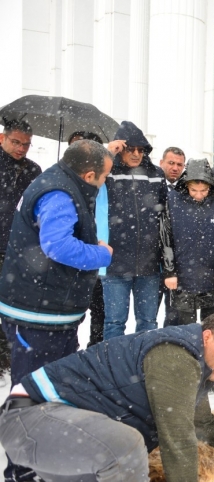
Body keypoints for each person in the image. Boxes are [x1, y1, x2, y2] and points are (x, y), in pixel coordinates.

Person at [0, 312, 214, 482]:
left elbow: (203, 424)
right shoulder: (176, 356)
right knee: (127, 447)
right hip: (31, 418)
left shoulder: (195, 368)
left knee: (115, 477)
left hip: (68, 437)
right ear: (207, 337)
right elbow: (179, 438)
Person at [0, 139, 114, 482]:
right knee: (32, 394)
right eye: (104, 177)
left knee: (52, 392)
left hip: (50, 312)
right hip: (35, 314)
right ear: (89, 173)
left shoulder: (63, 183)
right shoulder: (60, 195)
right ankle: (22, 473)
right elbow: (57, 246)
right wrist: (100, 253)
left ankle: (44, 463)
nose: (104, 183)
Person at [98, 121, 168, 340]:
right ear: (121, 149)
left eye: (141, 149)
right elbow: (87, 182)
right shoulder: (106, 172)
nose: (137, 154)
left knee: (148, 322)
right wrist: (107, 154)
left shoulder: (156, 174)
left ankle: (141, 367)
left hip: (149, 264)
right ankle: (113, 369)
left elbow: (166, 213)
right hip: (115, 262)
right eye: (131, 149)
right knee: (114, 322)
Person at [161, 159, 214, 325]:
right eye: (194, 190)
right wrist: (170, 271)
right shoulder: (173, 200)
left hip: (213, 275)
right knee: (184, 328)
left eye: (204, 190)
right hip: (182, 275)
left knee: (212, 327)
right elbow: (166, 237)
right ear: (186, 185)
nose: (199, 195)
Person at [0, 120, 41, 390]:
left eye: (26, 144)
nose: (21, 148)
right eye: (16, 142)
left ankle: (6, 357)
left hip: (15, 248)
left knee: (9, 307)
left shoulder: (33, 170)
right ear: (2, 138)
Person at [66, 131, 108, 348]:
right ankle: (68, 351)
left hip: (99, 259)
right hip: (72, 260)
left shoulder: (103, 181)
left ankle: (94, 350)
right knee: (69, 311)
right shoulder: (61, 185)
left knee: (99, 311)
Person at [157, 146, 187, 328]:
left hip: (177, 262)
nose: (175, 168)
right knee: (148, 315)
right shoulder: (151, 186)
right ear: (161, 163)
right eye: (171, 163)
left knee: (174, 314)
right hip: (151, 260)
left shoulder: (186, 191)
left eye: (179, 164)